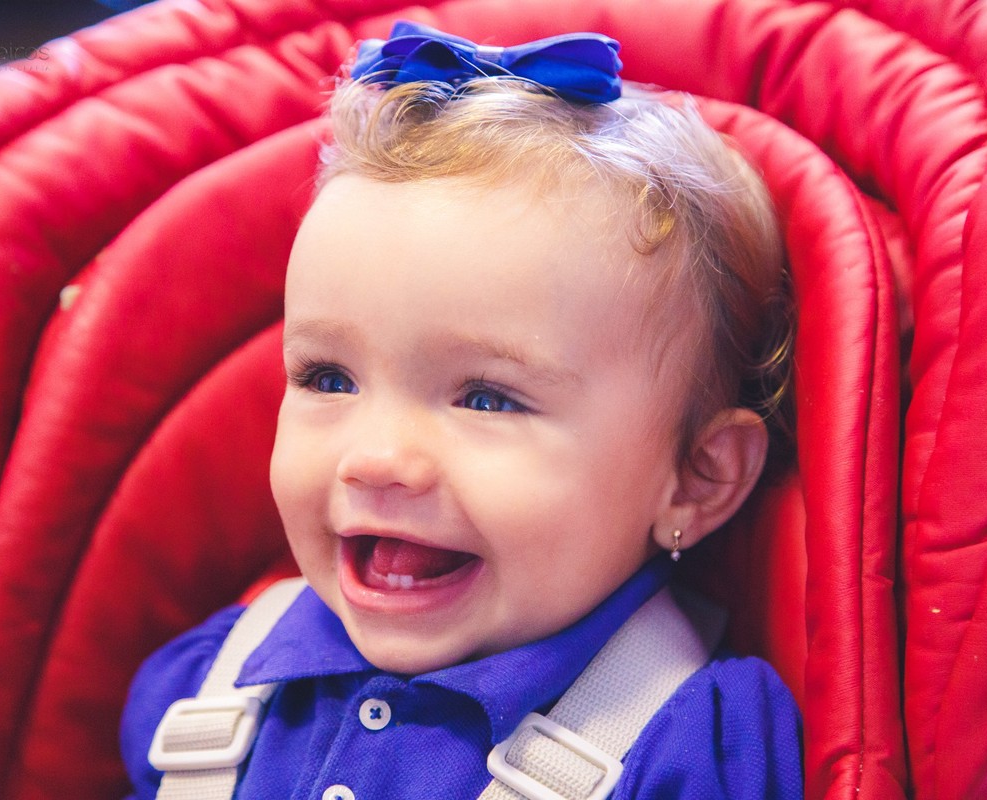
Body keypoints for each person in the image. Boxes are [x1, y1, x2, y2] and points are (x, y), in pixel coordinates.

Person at [121, 20, 802, 800]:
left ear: (696, 478)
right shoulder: (209, 684)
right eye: (328, 378)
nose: (374, 457)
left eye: (486, 398)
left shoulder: (689, 747)